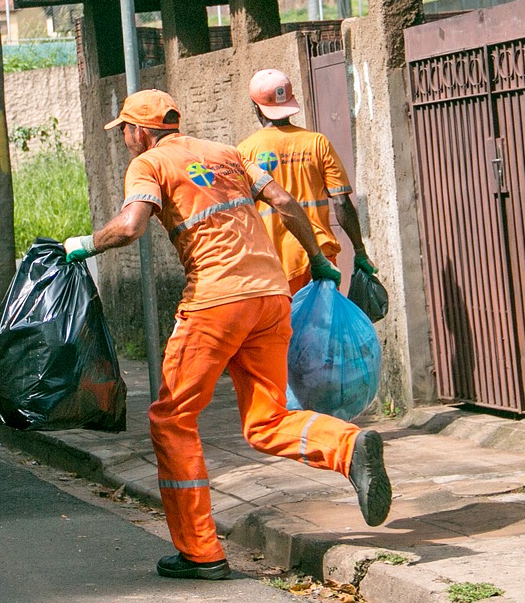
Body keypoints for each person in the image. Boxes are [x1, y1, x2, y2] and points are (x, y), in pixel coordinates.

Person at [64, 89, 392, 581]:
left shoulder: (149, 164)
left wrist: (84, 245)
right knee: (265, 420)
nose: (126, 141)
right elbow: (283, 200)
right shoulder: (227, 153)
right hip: (271, 296)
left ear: (139, 131)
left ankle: (201, 552)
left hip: (216, 301)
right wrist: (320, 259)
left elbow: (131, 226)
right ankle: (348, 446)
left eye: (125, 132)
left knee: (172, 418)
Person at [238, 68, 378, 295]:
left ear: (256, 108)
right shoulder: (317, 143)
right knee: (323, 328)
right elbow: (342, 203)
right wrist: (360, 251)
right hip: (321, 258)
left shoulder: (244, 151)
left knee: (286, 330)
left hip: (276, 263)